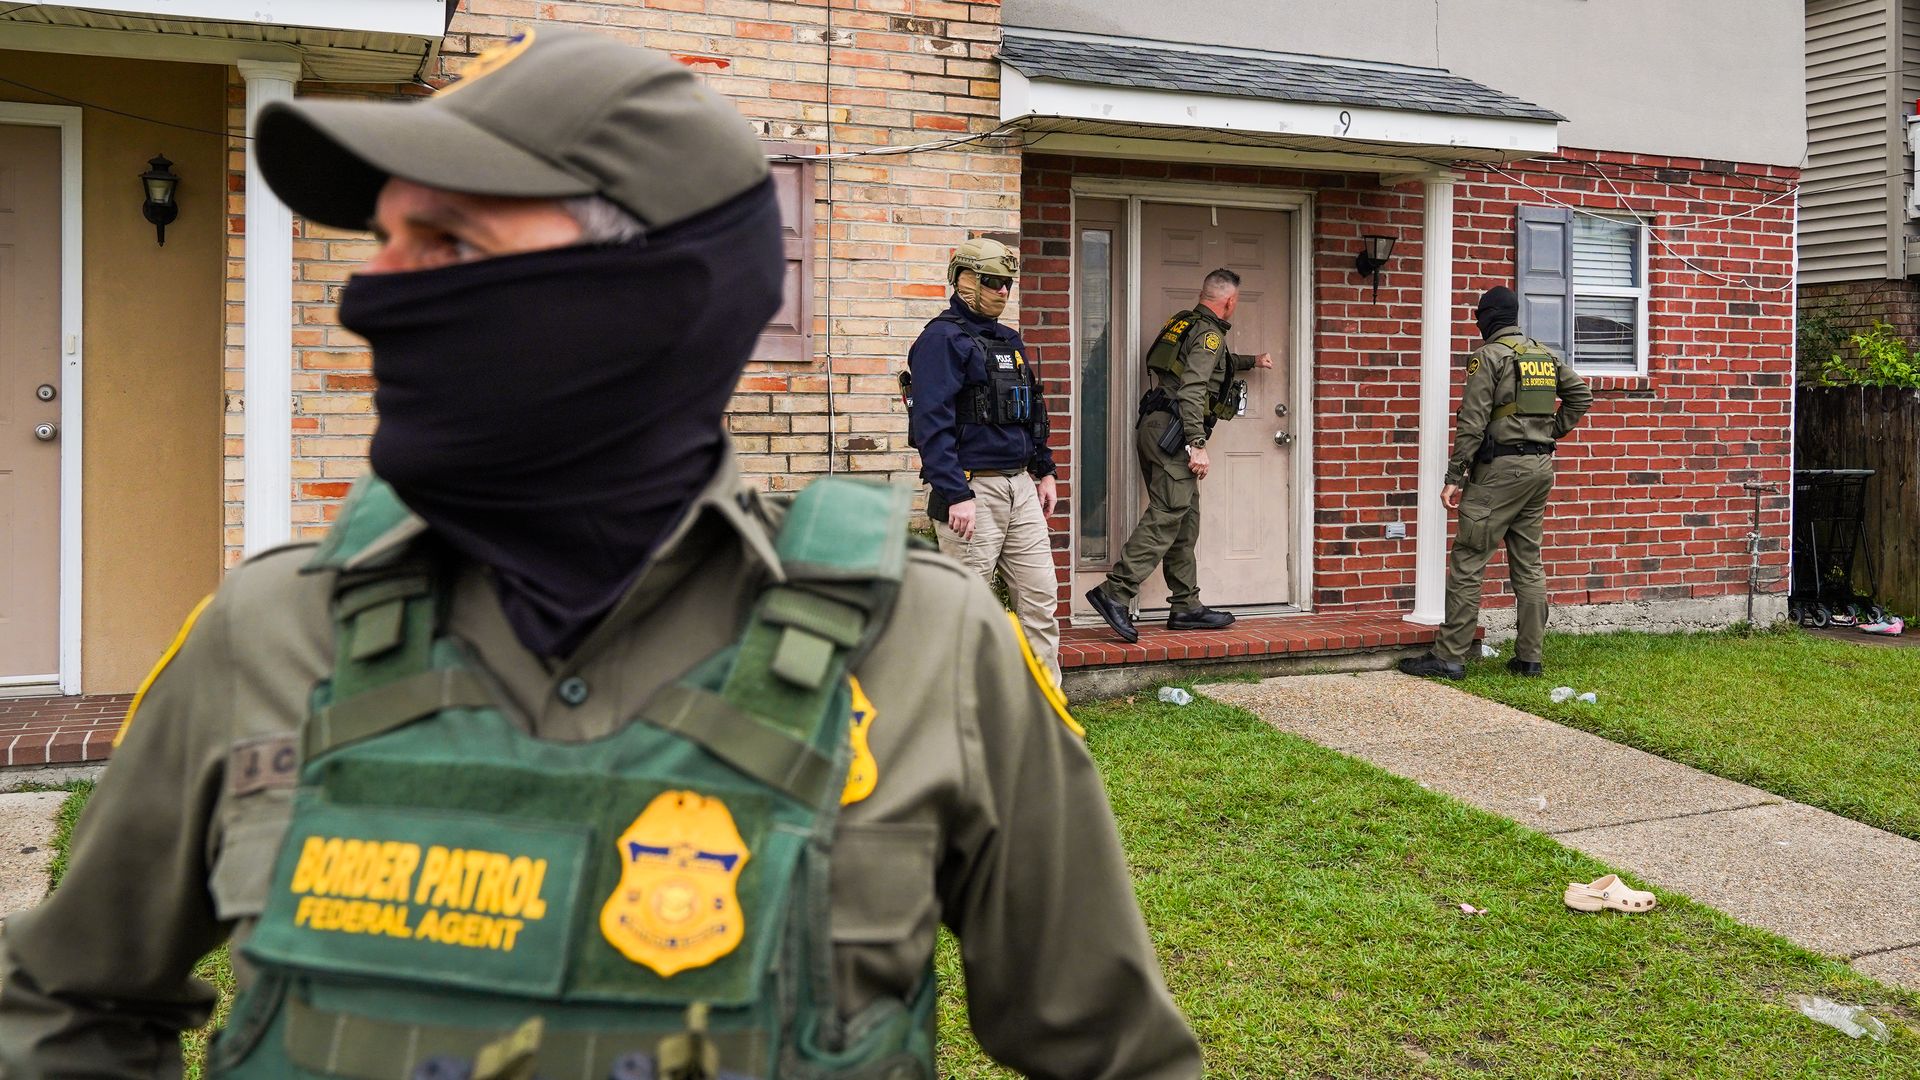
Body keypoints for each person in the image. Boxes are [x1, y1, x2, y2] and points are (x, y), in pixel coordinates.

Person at [0, 26, 1202, 1080]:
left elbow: (1113, 1054)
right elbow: (68, 1007)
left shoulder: (926, 646)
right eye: (384, 241)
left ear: (656, 292)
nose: (369, 297)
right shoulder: (269, 631)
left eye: (450, 244)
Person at [1399, 286, 1594, 680]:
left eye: (1479, 317)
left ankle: (1450, 656)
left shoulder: (1488, 356)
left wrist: (1454, 477)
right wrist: (1549, 433)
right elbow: (1581, 396)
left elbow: (1472, 421)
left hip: (1500, 472)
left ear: (1487, 318)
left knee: (1469, 558)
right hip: (1539, 470)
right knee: (1528, 563)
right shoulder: (1543, 354)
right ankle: (1529, 659)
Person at [1085, 269, 1272, 644]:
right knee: (1168, 515)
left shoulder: (1184, 324)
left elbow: (1209, 363)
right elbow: (1192, 388)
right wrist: (1197, 443)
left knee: (1185, 519)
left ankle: (1186, 606)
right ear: (1230, 302)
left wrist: (1253, 360)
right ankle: (1115, 591)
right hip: (1175, 432)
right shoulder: (1209, 334)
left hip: (1155, 425)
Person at [904, 238, 1062, 683]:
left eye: (1009, 283)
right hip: (973, 492)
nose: (1004, 292)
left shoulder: (1008, 340)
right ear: (965, 279)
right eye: (994, 282)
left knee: (1040, 603)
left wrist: (1044, 469)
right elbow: (931, 425)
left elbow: (1030, 409)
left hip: (1020, 487)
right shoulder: (941, 340)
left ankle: (1046, 712)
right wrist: (956, 493)